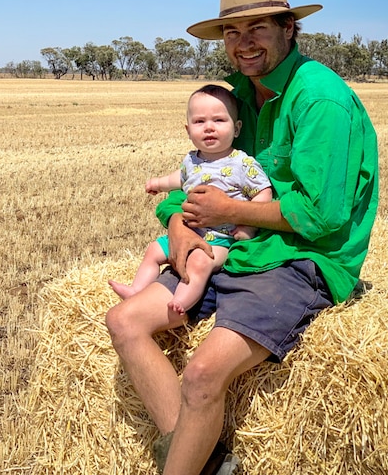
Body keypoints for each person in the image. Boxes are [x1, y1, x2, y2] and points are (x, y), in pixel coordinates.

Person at [104, 0, 379, 475]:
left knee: (203, 374)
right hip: (231, 248)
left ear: (289, 29)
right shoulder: (231, 94)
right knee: (125, 322)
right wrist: (179, 226)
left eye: (258, 29)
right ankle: (205, 464)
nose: (243, 42)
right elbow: (193, 178)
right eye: (232, 31)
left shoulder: (319, 99)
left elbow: (321, 218)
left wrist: (225, 214)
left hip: (302, 258)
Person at [108, 84, 272, 318]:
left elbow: (263, 192)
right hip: (190, 230)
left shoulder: (242, 163)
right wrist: (159, 183)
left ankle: (180, 303)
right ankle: (136, 290)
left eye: (219, 120)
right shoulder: (191, 160)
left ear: (236, 129)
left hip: (221, 239)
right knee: (154, 250)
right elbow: (181, 178)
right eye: (199, 122)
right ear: (188, 130)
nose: (209, 128)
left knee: (198, 263)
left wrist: (248, 226)